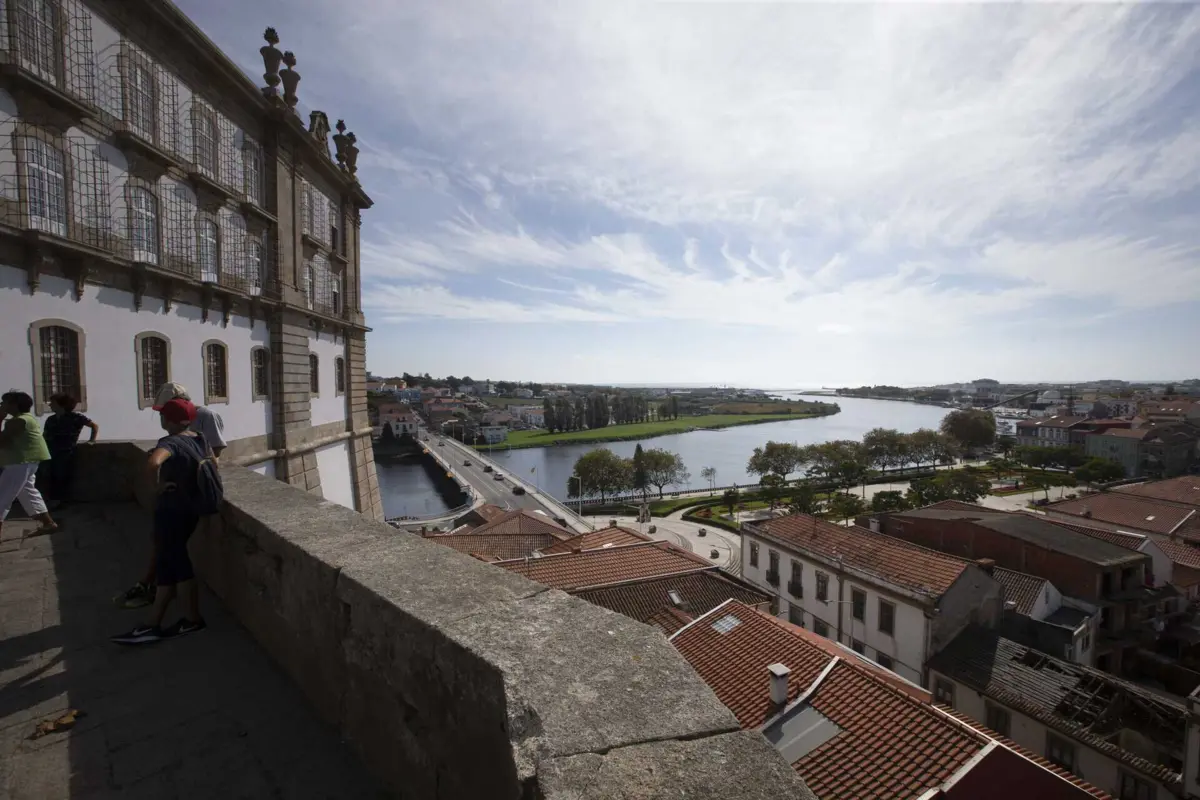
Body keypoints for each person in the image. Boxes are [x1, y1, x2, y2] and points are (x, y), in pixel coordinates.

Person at [114, 382, 225, 608]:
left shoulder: (204, 418)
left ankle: (165, 600)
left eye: (165, 411)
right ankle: (152, 589)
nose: (163, 417)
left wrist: (158, 485)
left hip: (184, 497)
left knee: (171, 549)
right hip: (184, 497)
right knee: (165, 546)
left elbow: (215, 454)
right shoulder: (185, 434)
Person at [111, 398, 210, 644]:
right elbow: (214, 464)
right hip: (190, 510)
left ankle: (193, 620)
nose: (161, 419)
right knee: (167, 566)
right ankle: (151, 624)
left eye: (162, 416)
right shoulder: (199, 438)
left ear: (169, 420)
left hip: (172, 511)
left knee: (178, 564)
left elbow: (154, 462)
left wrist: (157, 487)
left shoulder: (170, 442)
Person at [0, 391, 58, 539]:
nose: (2, 405)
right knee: (28, 493)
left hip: (19, 462)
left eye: (4, 402)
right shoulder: (27, 418)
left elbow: (2, 441)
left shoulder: (18, 421)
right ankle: (48, 523)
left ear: (14, 405)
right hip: (26, 461)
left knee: (3, 495)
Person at [41, 393, 99, 509]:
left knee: (61, 476)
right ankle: (53, 501)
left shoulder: (76, 417)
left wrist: (92, 440)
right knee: (50, 476)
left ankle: (59, 502)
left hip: (66, 452)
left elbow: (94, 426)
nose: (50, 405)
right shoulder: (51, 419)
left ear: (60, 404)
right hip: (50, 451)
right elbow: (45, 436)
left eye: (53, 403)